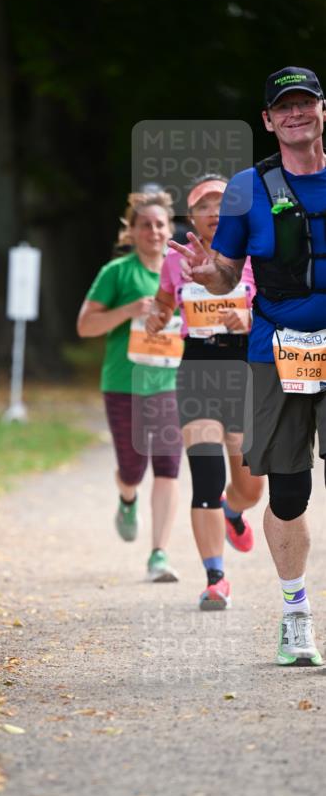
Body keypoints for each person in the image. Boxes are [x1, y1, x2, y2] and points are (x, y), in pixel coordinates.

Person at [169, 66, 325, 665]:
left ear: (322, 110)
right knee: (286, 492)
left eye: (305, 104)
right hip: (275, 350)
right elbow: (230, 271)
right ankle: (294, 615)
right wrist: (214, 276)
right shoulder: (246, 188)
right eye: (283, 107)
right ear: (267, 119)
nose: (295, 114)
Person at [148, 175, 264, 610]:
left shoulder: (256, 256)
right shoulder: (175, 260)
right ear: (191, 215)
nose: (215, 213)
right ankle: (216, 578)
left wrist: (248, 322)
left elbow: (275, 309)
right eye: (205, 206)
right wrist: (158, 318)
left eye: (223, 205)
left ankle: (234, 513)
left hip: (244, 371)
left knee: (250, 488)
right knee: (207, 478)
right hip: (197, 370)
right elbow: (163, 302)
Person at [77, 190, 183, 582]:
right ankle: (127, 497)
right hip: (125, 383)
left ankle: (159, 554)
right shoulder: (117, 273)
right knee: (132, 467)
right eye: (146, 225)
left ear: (170, 229)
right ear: (133, 231)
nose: (154, 231)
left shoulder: (184, 271)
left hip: (172, 382)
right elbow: (85, 326)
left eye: (160, 225)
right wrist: (128, 310)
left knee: (169, 466)